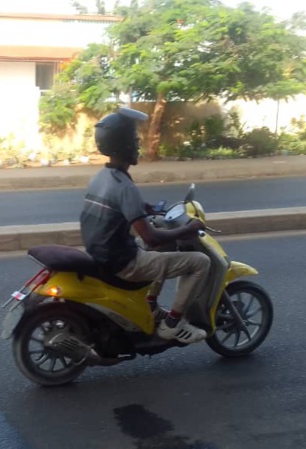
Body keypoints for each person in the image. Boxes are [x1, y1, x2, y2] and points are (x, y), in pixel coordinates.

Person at [80, 108, 211, 345]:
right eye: (135, 140)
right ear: (125, 145)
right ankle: (171, 324)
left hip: (102, 253)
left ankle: (150, 306)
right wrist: (188, 230)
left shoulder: (101, 177)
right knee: (201, 262)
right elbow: (150, 238)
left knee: (167, 242)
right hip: (125, 263)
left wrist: (142, 208)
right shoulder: (125, 187)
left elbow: (113, 205)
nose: (139, 144)